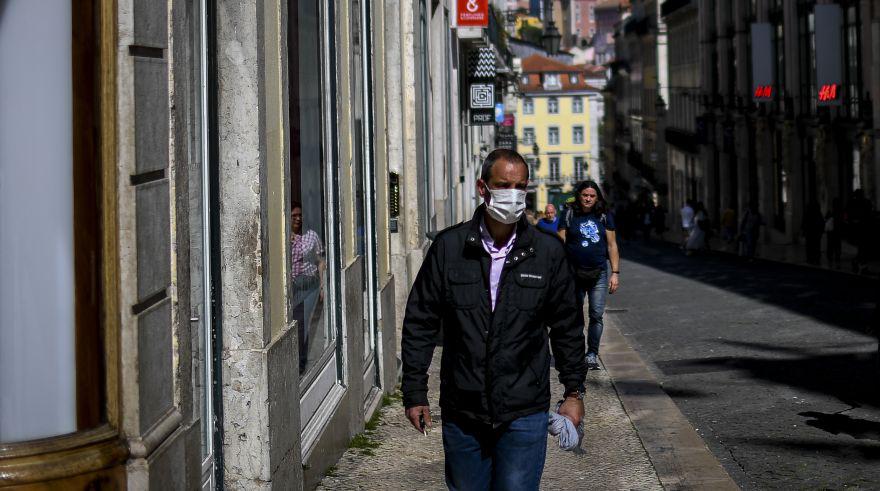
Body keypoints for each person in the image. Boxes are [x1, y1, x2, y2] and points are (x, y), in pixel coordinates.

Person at [401, 149, 586, 490]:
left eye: (520, 187)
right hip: (463, 409)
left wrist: (573, 391)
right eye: (504, 185)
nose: (513, 195)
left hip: (524, 409)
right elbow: (420, 321)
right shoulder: (449, 248)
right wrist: (414, 391)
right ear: (483, 188)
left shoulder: (547, 253)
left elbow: (567, 326)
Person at [559, 181, 620, 371]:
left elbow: (612, 245)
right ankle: (576, 353)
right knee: (575, 316)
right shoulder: (569, 214)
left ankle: (592, 353)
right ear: (579, 195)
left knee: (596, 315)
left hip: (599, 273)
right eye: (585, 195)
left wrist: (615, 273)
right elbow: (560, 243)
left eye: (592, 196)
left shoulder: (603, 215)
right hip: (573, 273)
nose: (588, 199)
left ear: (597, 198)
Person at [291, 202, 325, 374]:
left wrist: (321, 286)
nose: (298, 218)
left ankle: (301, 362)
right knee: (293, 324)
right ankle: (294, 360)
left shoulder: (311, 235)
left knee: (301, 323)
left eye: (299, 215)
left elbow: (320, 261)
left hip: (308, 284)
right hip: (291, 286)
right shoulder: (284, 237)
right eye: (294, 216)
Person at [802, 200, 825, 265]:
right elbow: (821, 223)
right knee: (816, 246)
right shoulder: (817, 213)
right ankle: (816, 259)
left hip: (810, 233)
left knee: (810, 246)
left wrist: (804, 231)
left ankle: (811, 259)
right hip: (815, 233)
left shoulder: (808, 213)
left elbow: (804, 223)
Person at [825, 198, 843, 267]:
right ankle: (837, 257)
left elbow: (826, 218)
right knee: (837, 244)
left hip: (831, 231)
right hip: (837, 231)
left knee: (830, 245)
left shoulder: (830, 211)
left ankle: (830, 257)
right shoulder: (840, 211)